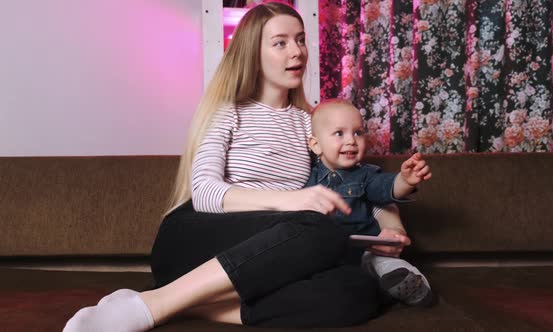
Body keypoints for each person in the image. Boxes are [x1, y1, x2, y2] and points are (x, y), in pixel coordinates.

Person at [63, 2, 411, 331]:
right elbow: (205, 193)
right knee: (318, 229)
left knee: (357, 291)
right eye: (280, 43)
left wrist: (387, 230)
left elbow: (360, 181)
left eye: (301, 40)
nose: (297, 51)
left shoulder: (312, 124)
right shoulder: (228, 113)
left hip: (266, 255)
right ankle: (150, 309)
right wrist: (291, 200)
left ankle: (170, 304)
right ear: (253, 55)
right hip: (190, 242)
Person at [306, 98, 435, 306]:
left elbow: (386, 188)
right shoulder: (308, 182)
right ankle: (379, 290)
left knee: (388, 263)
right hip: (329, 255)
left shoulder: (366, 175)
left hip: (369, 250)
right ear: (315, 144)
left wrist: (405, 181)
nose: (351, 141)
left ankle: (415, 286)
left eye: (357, 132)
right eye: (339, 133)